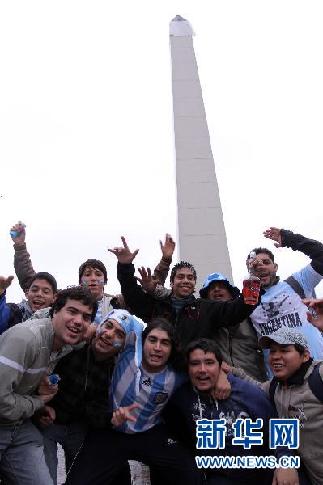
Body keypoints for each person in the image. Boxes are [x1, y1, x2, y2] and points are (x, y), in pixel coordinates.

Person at [66, 315, 202, 485]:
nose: (157, 348)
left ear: (172, 348)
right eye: (152, 340)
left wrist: (224, 376)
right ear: (142, 342)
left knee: (191, 476)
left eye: (165, 343)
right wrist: (94, 326)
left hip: (150, 432)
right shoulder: (127, 351)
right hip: (110, 431)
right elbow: (119, 320)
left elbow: (207, 369)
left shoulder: (178, 374)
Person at [0, 286, 97, 485]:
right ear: (54, 311)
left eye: (86, 317)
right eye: (72, 311)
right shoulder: (25, 339)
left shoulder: (66, 341)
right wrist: (38, 403)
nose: (78, 321)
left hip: (19, 428)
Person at [110, 237, 260, 363]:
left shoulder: (207, 308)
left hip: (192, 377)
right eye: (180, 277)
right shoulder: (156, 306)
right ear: (171, 282)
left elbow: (238, 310)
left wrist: (253, 278)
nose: (185, 281)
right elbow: (131, 293)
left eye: (190, 278)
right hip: (157, 373)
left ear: (195, 283)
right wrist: (125, 266)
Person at [163, 338, 275, 484]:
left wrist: (286, 466)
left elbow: (278, 429)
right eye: (195, 364)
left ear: (221, 366)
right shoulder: (181, 396)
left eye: (209, 363)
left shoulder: (249, 395)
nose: (202, 369)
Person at [37, 310, 130, 484]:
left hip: (80, 429)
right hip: (49, 421)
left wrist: (111, 418)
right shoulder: (73, 346)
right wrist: (40, 408)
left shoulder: (118, 371)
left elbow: (99, 409)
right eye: (108, 326)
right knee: (43, 478)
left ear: (124, 344)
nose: (109, 335)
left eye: (119, 333)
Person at [229, 329, 321, 484]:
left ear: (305, 356)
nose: (276, 356)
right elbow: (253, 386)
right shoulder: (275, 388)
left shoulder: (318, 377)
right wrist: (228, 371)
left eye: (285, 350)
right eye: (272, 351)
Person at [246, 226, 323, 374]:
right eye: (255, 265)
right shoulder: (247, 302)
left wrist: (290, 239)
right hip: (283, 383)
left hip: (317, 368)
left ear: (275, 267)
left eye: (266, 262)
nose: (261, 266)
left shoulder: (298, 282)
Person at [199, 272, 267, 381]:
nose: (216, 290)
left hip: (255, 383)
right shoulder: (202, 322)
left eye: (222, 287)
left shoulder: (252, 316)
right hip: (221, 385)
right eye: (212, 288)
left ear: (231, 293)